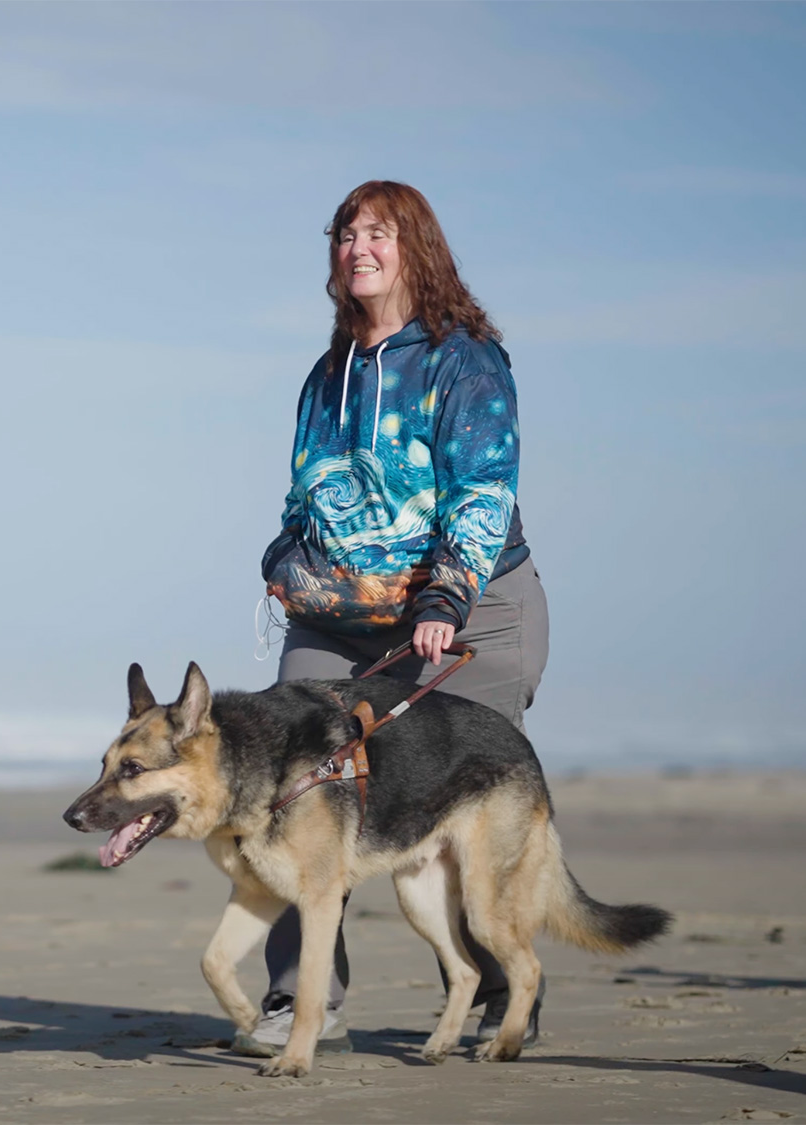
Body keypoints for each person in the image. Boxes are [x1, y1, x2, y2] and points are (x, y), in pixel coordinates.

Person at [243, 181, 549, 1057]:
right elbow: (306, 496)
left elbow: (483, 493)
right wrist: (282, 565)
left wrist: (445, 599)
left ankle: (503, 988)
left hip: (470, 610)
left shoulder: (466, 360)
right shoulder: (327, 372)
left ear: (416, 249)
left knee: (458, 810)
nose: (357, 248)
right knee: (288, 786)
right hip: (337, 623)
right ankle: (297, 1000)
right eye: (345, 234)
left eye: (378, 233)